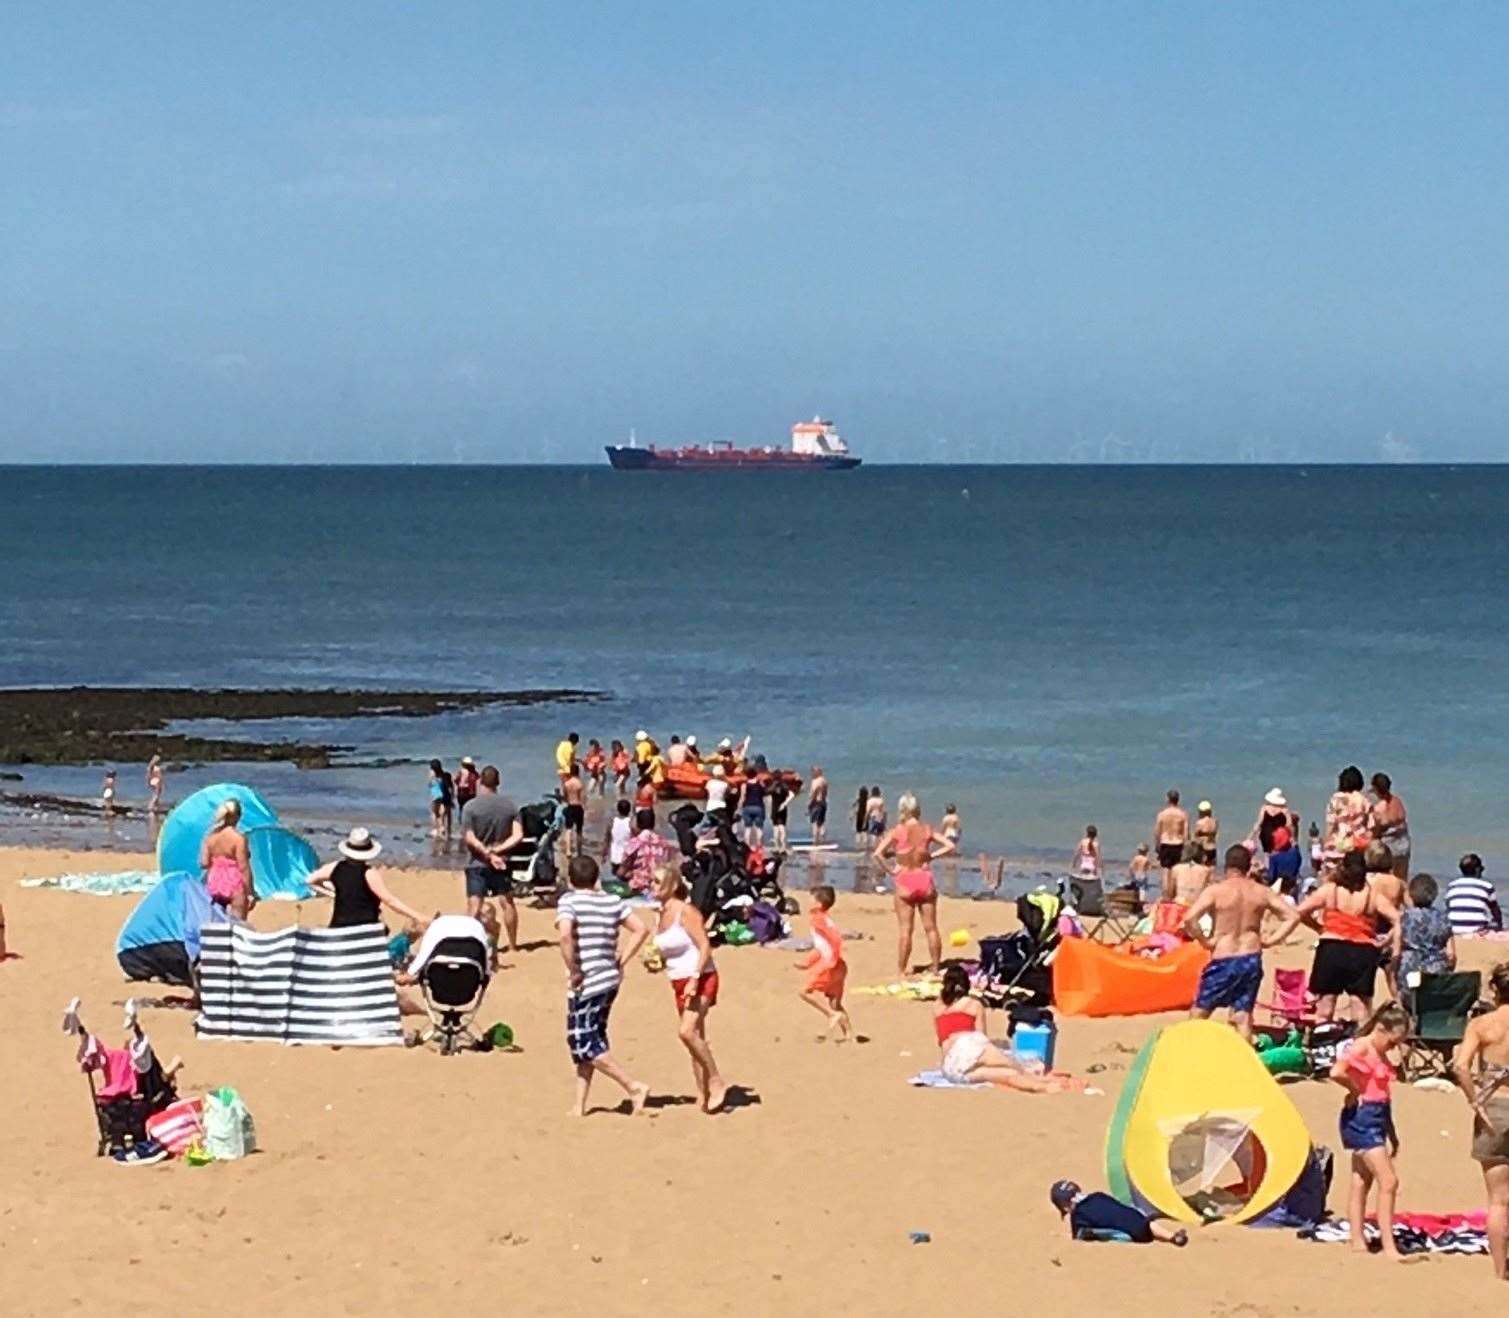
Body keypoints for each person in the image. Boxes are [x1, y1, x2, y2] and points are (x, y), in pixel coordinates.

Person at [556, 855, 650, 1117]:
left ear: (571, 880)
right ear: (596, 877)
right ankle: (580, 1104)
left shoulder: (569, 901)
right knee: (592, 1037)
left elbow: (565, 936)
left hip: (588, 980)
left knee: (582, 1041)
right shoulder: (612, 901)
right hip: (609, 979)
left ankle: (633, 1087)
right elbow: (641, 929)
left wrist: (574, 969)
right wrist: (622, 960)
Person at [1266, 851, 1401, 1024]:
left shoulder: (1331, 890)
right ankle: (1357, 1046)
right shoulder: (1372, 895)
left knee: (1325, 1008)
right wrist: (1388, 941)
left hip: (1332, 948)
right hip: (1362, 952)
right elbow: (1397, 919)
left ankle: (1322, 1044)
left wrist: (1317, 927)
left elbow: (1298, 912)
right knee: (1360, 1009)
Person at [1185, 844, 1292, 1040]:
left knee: (1199, 1012)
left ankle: (1189, 1054)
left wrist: (1204, 940)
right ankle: (1246, 1062)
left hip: (1224, 957)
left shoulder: (1216, 891)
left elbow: (1189, 918)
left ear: (1226, 867)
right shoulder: (1261, 891)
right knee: (1242, 1016)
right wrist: (1272, 940)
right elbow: (1292, 916)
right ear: (1249, 867)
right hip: (1251, 957)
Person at [1331, 1003, 1409, 1261]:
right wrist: (1354, 1091)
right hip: (1362, 1119)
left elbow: (1384, 1097)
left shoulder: (1380, 1054)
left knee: (1361, 1181)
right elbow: (1337, 1072)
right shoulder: (1361, 1046)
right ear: (1380, 1029)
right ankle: (1389, 1246)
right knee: (1389, 1180)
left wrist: (1392, 1132)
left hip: (1377, 1117)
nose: (1393, 1048)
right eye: (1392, 1041)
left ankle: (1357, 1239)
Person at [649, 863, 728, 1113]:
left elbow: (705, 945)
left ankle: (716, 1080)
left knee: (686, 1032)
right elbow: (667, 949)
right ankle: (701, 1094)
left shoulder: (686, 911)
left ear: (672, 886)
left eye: (657, 881)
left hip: (702, 976)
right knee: (696, 1039)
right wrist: (656, 961)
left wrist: (695, 977)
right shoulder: (659, 914)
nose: (652, 885)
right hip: (678, 980)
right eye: (651, 881)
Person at [934, 965, 1081, 1091]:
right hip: (966, 1052)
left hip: (951, 1070)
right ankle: (1041, 1082)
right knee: (1013, 1068)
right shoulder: (973, 1004)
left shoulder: (937, 1008)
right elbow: (981, 1038)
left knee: (1006, 1075)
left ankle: (1041, 1087)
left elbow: (941, 1041)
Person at [1452, 963, 1509, 1280]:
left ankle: (1501, 1270)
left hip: (1495, 1109)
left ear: (1495, 991)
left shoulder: (1483, 1024)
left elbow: (1461, 1066)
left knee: (1499, 1199)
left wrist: (1475, 1099)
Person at [874, 792, 956, 977]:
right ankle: (936, 967)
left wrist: (890, 870)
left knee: (905, 930)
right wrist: (932, 856)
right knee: (931, 927)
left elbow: (877, 853)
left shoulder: (897, 831)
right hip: (923, 878)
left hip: (905, 879)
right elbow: (950, 845)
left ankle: (902, 970)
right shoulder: (926, 829)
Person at [306, 828, 427, 929]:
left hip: (337, 930)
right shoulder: (368, 873)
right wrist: (417, 916)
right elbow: (390, 901)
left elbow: (310, 880)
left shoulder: (335, 867)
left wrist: (333, 893)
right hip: (365, 932)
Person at [460, 766, 523, 955]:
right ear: (498, 782)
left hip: (477, 861)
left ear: (480, 782)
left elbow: (469, 837)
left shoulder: (470, 807)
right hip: (502, 860)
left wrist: (487, 853)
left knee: (475, 904)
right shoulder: (510, 807)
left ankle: (469, 943)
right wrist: (497, 850)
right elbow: (517, 836)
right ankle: (512, 944)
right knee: (507, 902)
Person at [1049, 1180, 1188, 1246]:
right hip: (1136, 1218)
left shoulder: (1078, 1217)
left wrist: (1064, 1236)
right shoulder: (1098, 1196)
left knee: (1141, 1230)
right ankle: (1171, 1237)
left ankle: (1172, 1238)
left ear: (1065, 1207)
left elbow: (1080, 1236)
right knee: (1144, 1224)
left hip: (1129, 1235)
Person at [796, 884, 851, 1040]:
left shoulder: (818, 919)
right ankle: (849, 1034)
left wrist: (835, 953)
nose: (808, 903)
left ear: (819, 904)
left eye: (812, 900)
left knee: (804, 992)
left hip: (830, 964)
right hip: (837, 964)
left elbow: (833, 938)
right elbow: (820, 946)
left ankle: (830, 1015)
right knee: (835, 1002)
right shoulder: (825, 919)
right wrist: (807, 963)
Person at [200, 798, 255, 920]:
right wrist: (250, 892)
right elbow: (244, 867)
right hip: (234, 880)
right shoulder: (238, 838)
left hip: (215, 880)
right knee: (238, 924)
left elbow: (204, 863)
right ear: (236, 817)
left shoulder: (210, 838)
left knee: (216, 923)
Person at [1397, 874, 1455, 988]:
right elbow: (1451, 955)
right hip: (1435, 981)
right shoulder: (1443, 919)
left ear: (1411, 895)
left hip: (1409, 980)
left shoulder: (1404, 918)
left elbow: (1397, 949)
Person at [621, 807, 677, 894]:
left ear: (638, 824)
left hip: (638, 887)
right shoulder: (664, 843)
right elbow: (668, 864)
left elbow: (623, 869)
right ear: (653, 824)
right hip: (659, 887)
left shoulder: (635, 843)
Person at [1369, 772, 1410, 880]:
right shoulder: (1397, 802)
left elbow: (1377, 830)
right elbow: (1401, 818)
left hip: (1388, 849)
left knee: (1388, 880)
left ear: (1376, 790)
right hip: (1403, 846)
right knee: (1402, 880)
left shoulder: (1379, 809)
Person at [1448, 854, 1501, 935]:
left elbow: (1450, 907)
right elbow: (1495, 911)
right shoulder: (1487, 886)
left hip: (1454, 930)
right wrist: (1499, 925)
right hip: (1477, 932)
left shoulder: (1452, 886)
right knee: (1494, 924)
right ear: (1477, 870)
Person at [1326, 765, 1371, 855]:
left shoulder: (1335, 799)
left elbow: (1331, 823)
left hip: (1340, 842)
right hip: (1359, 842)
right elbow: (1369, 824)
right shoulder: (1363, 800)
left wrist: (1327, 840)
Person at [1165, 839, 1212, 912]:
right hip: (1197, 908)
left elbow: (1170, 894)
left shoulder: (1176, 869)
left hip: (1179, 907)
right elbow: (1208, 893)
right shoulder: (1206, 870)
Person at [1154, 790, 1188, 885]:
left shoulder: (1162, 814)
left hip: (1165, 843)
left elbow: (1157, 831)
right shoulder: (1182, 814)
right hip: (1178, 843)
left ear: (1168, 799)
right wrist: (1186, 846)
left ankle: (1165, 894)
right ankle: (1173, 893)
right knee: (1176, 870)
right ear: (1178, 800)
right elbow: (1186, 833)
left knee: (1165, 870)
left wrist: (1157, 845)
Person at [1266, 825, 1304, 897]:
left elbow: (1271, 876)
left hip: (1279, 888)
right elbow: (1299, 862)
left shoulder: (1274, 858)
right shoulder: (1295, 853)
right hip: (1292, 885)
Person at [1254, 788, 1292, 856]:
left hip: (1265, 834)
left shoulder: (1264, 808)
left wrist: (1254, 832)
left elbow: (1260, 821)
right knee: (1279, 853)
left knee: (1267, 854)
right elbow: (1289, 824)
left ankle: (1268, 864)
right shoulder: (1284, 809)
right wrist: (1291, 836)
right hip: (1279, 835)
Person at [561, 761, 586, 857]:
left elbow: (565, 796)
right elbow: (582, 797)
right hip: (578, 807)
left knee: (568, 829)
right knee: (579, 830)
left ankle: (568, 851)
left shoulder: (567, 784)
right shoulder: (580, 784)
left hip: (570, 806)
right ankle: (579, 851)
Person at [603, 797, 634, 876]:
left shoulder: (612, 822)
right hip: (626, 858)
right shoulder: (631, 823)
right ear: (629, 810)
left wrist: (604, 855)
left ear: (618, 809)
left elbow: (606, 840)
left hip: (614, 857)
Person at [737, 769, 767, 849]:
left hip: (747, 807)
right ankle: (759, 844)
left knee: (748, 827)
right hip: (759, 806)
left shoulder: (744, 785)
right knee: (759, 828)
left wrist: (738, 808)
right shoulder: (760, 784)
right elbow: (765, 793)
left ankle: (747, 845)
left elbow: (742, 797)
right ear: (755, 774)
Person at [427, 758, 454, 842]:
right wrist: (452, 797)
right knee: (447, 814)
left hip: (438, 796)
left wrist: (431, 778)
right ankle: (448, 832)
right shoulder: (447, 775)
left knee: (436, 814)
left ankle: (439, 829)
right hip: (447, 796)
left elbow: (432, 788)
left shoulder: (434, 777)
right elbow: (451, 787)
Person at [768, 775, 796, 852]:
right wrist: (784, 804)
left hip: (774, 809)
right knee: (782, 828)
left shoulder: (772, 787)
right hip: (782, 809)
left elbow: (768, 796)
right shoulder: (784, 787)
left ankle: (777, 847)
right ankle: (783, 847)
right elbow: (792, 795)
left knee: (776, 829)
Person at [807, 766, 829, 846]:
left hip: (816, 803)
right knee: (821, 822)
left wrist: (810, 803)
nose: (812, 773)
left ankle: (815, 841)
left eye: (813, 772)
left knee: (814, 822)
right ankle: (822, 840)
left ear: (817, 772)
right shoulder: (824, 781)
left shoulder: (815, 781)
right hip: (823, 803)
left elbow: (814, 793)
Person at [852, 785, 870, 849]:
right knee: (865, 831)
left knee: (858, 831)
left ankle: (858, 845)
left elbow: (853, 805)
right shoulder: (868, 800)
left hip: (859, 816)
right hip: (865, 817)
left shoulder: (859, 799)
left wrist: (852, 815)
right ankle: (865, 845)